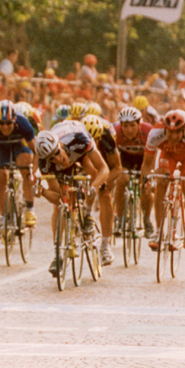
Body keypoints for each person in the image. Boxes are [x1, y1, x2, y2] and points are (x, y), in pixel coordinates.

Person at [33, 120, 109, 276]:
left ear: (60, 145)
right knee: (61, 204)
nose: (57, 159)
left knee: (91, 172)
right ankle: (57, 254)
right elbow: (58, 197)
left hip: (79, 149)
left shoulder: (79, 140)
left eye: (57, 153)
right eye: (51, 158)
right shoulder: (46, 163)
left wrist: (92, 187)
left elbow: (104, 169)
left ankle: (87, 214)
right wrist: (45, 193)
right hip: (62, 165)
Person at [141, 110, 185, 250]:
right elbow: (146, 164)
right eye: (170, 132)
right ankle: (158, 231)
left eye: (177, 133)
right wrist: (146, 181)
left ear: (184, 130)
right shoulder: (155, 133)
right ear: (164, 129)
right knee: (161, 183)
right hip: (168, 155)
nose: (173, 136)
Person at [0, 100, 37, 237]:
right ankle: (4, 217)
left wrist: (33, 172)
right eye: (1, 123)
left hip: (20, 144)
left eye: (8, 123)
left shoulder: (23, 124)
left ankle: (29, 208)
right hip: (0, 146)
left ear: (14, 120)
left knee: (26, 167)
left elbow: (36, 151)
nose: (4, 127)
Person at [81, 114, 122, 266]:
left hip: (105, 158)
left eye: (95, 140)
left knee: (105, 195)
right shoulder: (78, 136)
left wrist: (101, 183)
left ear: (99, 137)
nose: (93, 143)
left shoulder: (107, 137)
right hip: (83, 153)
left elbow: (117, 168)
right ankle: (87, 211)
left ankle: (105, 245)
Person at [112, 106, 154, 237]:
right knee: (121, 181)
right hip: (125, 159)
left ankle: (147, 220)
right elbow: (112, 155)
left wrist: (148, 175)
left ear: (139, 124)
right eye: (125, 126)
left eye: (132, 125)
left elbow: (153, 157)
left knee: (145, 188)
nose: (128, 130)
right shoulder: (115, 132)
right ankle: (119, 218)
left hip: (144, 159)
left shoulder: (148, 132)